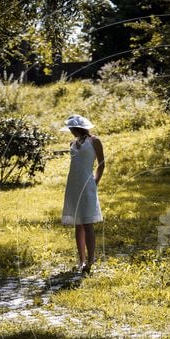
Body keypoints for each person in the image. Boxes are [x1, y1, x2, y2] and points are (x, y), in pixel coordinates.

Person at [60, 114, 105, 274]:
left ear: (78, 127)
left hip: (87, 185)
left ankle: (91, 259)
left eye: (71, 128)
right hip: (73, 185)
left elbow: (101, 164)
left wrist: (95, 181)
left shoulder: (95, 141)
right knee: (77, 223)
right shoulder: (72, 143)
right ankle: (82, 260)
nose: (70, 131)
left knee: (87, 223)